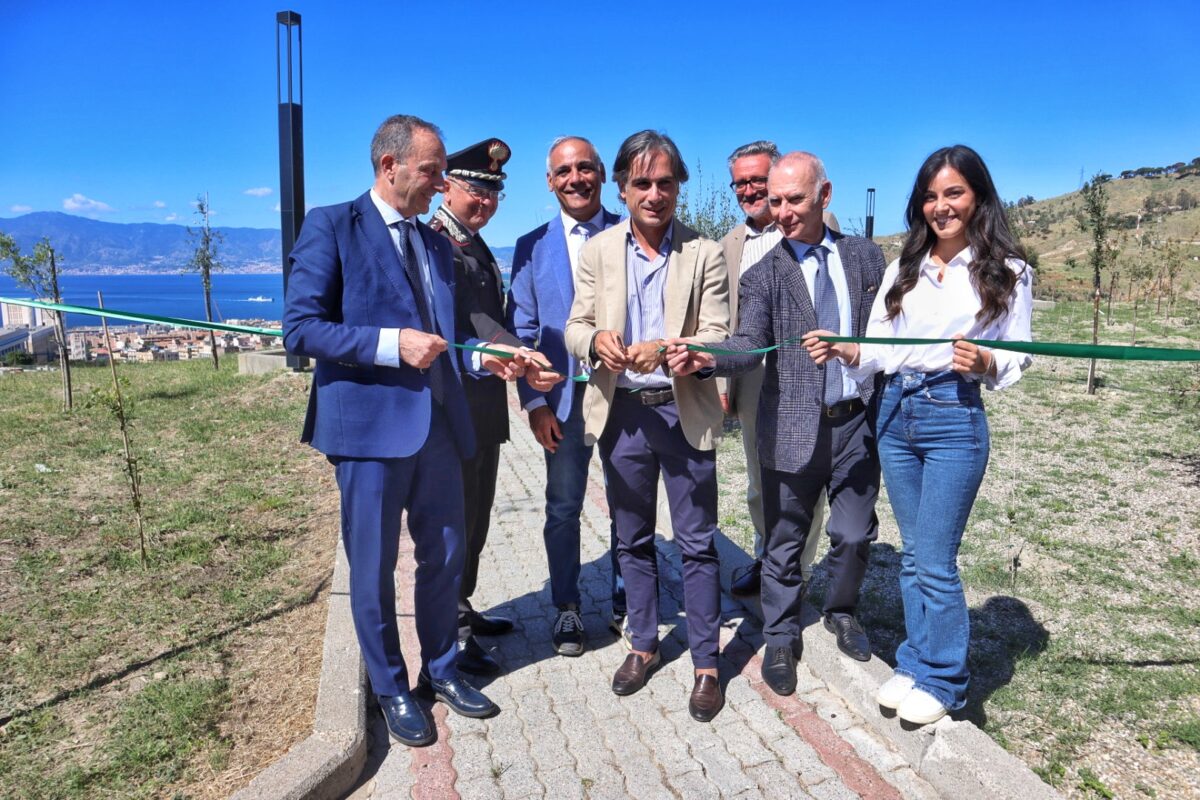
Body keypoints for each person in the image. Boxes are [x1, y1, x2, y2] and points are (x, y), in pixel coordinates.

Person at [283, 114, 557, 747]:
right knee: (374, 568)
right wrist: (390, 344)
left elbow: (449, 334)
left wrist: (490, 358)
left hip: (439, 425)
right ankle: (390, 686)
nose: (440, 185)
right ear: (390, 167)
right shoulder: (332, 225)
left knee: (446, 556)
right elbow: (300, 329)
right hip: (368, 431)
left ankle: (441, 668)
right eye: (432, 171)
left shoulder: (435, 243)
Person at [803, 144, 1033, 725]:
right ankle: (914, 661)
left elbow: (1017, 355)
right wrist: (843, 347)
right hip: (895, 410)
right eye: (931, 196)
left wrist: (986, 363)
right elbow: (878, 348)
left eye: (953, 193)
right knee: (910, 557)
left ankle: (945, 679)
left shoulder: (1008, 270)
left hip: (953, 415)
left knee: (934, 558)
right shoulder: (901, 269)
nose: (941, 206)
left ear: (978, 196)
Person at [668, 151, 885, 697]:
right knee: (783, 542)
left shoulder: (866, 259)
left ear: (825, 196)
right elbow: (748, 345)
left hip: (856, 424)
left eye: (795, 200)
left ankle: (840, 610)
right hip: (789, 425)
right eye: (776, 200)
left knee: (854, 535)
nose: (783, 211)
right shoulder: (764, 273)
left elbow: (888, 331)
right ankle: (782, 634)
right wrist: (707, 356)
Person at [564, 130, 730, 721]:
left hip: (680, 410)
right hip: (623, 417)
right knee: (630, 539)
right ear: (622, 188)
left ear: (679, 186)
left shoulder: (704, 253)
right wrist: (596, 341)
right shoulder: (598, 251)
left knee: (696, 543)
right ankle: (643, 644)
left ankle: (707, 662)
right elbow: (575, 326)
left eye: (665, 182)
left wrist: (679, 349)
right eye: (642, 183)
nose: (655, 194)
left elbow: (717, 333)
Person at [506, 136, 626, 657]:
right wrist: (532, 405)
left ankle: (630, 597)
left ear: (601, 174)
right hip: (561, 404)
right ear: (550, 182)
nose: (575, 178)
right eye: (563, 171)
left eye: (584, 168)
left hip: (626, 394)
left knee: (631, 506)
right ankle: (567, 608)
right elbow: (521, 331)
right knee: (562, 508)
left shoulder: (631, 233)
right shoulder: (531, 247)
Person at [719, 140, 841, 598]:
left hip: (805, 374)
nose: (750, 189)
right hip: (751, 377)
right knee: (758, 479)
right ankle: (765, 556)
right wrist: (724, 382)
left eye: (758, 180)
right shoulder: (730, 243)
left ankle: (799, 571)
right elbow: (729, 322)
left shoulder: (821, 225)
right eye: (741, 182)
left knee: (803, 478)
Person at [429, 138, 523, 675]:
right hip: (456, 408)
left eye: (494, 194)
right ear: (447, 186)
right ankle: (453, 634)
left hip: (484, 408)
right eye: (476, 191)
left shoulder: (474, 242)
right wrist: (517, 349)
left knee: (477, 516)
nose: (485, 202)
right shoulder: (439, 242)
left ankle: (463, 605)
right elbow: (465, 320)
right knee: (454, 521)